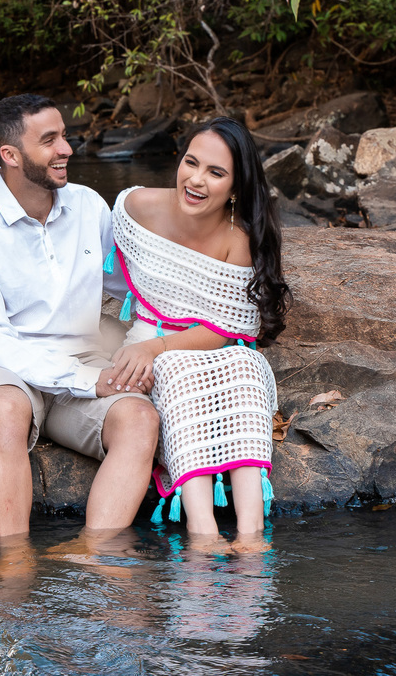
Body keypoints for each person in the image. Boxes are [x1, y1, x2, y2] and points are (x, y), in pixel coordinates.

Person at [0, 93, 159, 540]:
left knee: (140, 420)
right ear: (11, 155)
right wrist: (84, 381)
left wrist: (142, 341)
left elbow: (137, 291)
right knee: (6, 409)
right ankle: (14, 565)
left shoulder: (89, 206)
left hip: (84, 359)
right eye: (51, 140)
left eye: (65, 136)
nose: (67, 150)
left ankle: (98, 556)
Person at [103, 116, 290, 541]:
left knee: (246, 369)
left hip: (210, 343)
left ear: (236, 186)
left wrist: (164, 346)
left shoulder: (235, 238)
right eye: (191, 163)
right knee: (177, 376)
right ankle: (203, 533)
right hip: (150, 337)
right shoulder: (135, 208)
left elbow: (227, 328)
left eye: (216, 173)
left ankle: (250, 533)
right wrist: (150, 349)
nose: (196, 180)